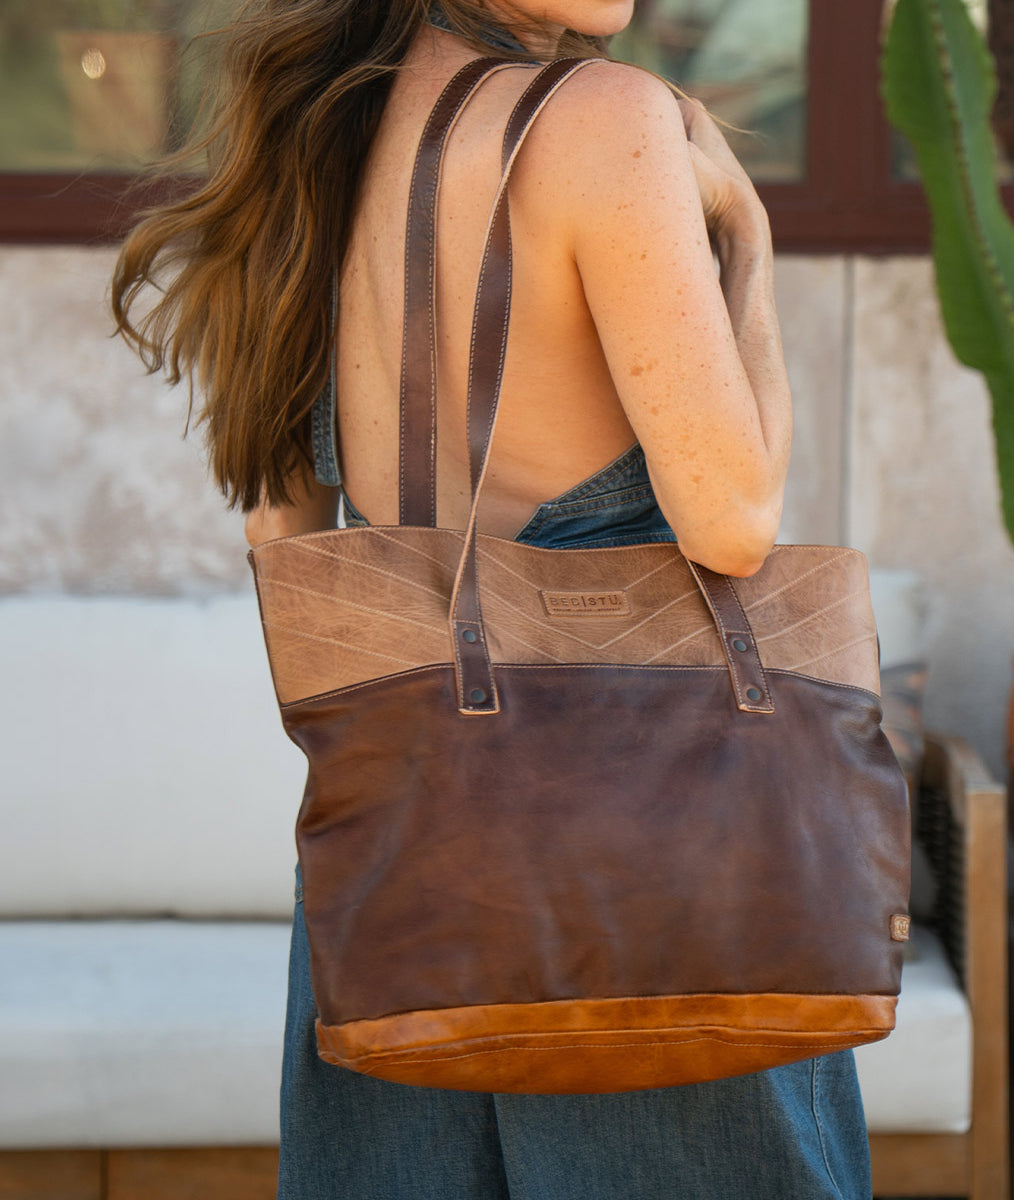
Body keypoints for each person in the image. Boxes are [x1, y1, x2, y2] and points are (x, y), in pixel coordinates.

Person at [112, 3, 872, 1196]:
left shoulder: (327, 137)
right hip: (646, 855)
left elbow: (287, 538)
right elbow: (733, 519)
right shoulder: (604, 117)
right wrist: (747, 242)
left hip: (402, 875)